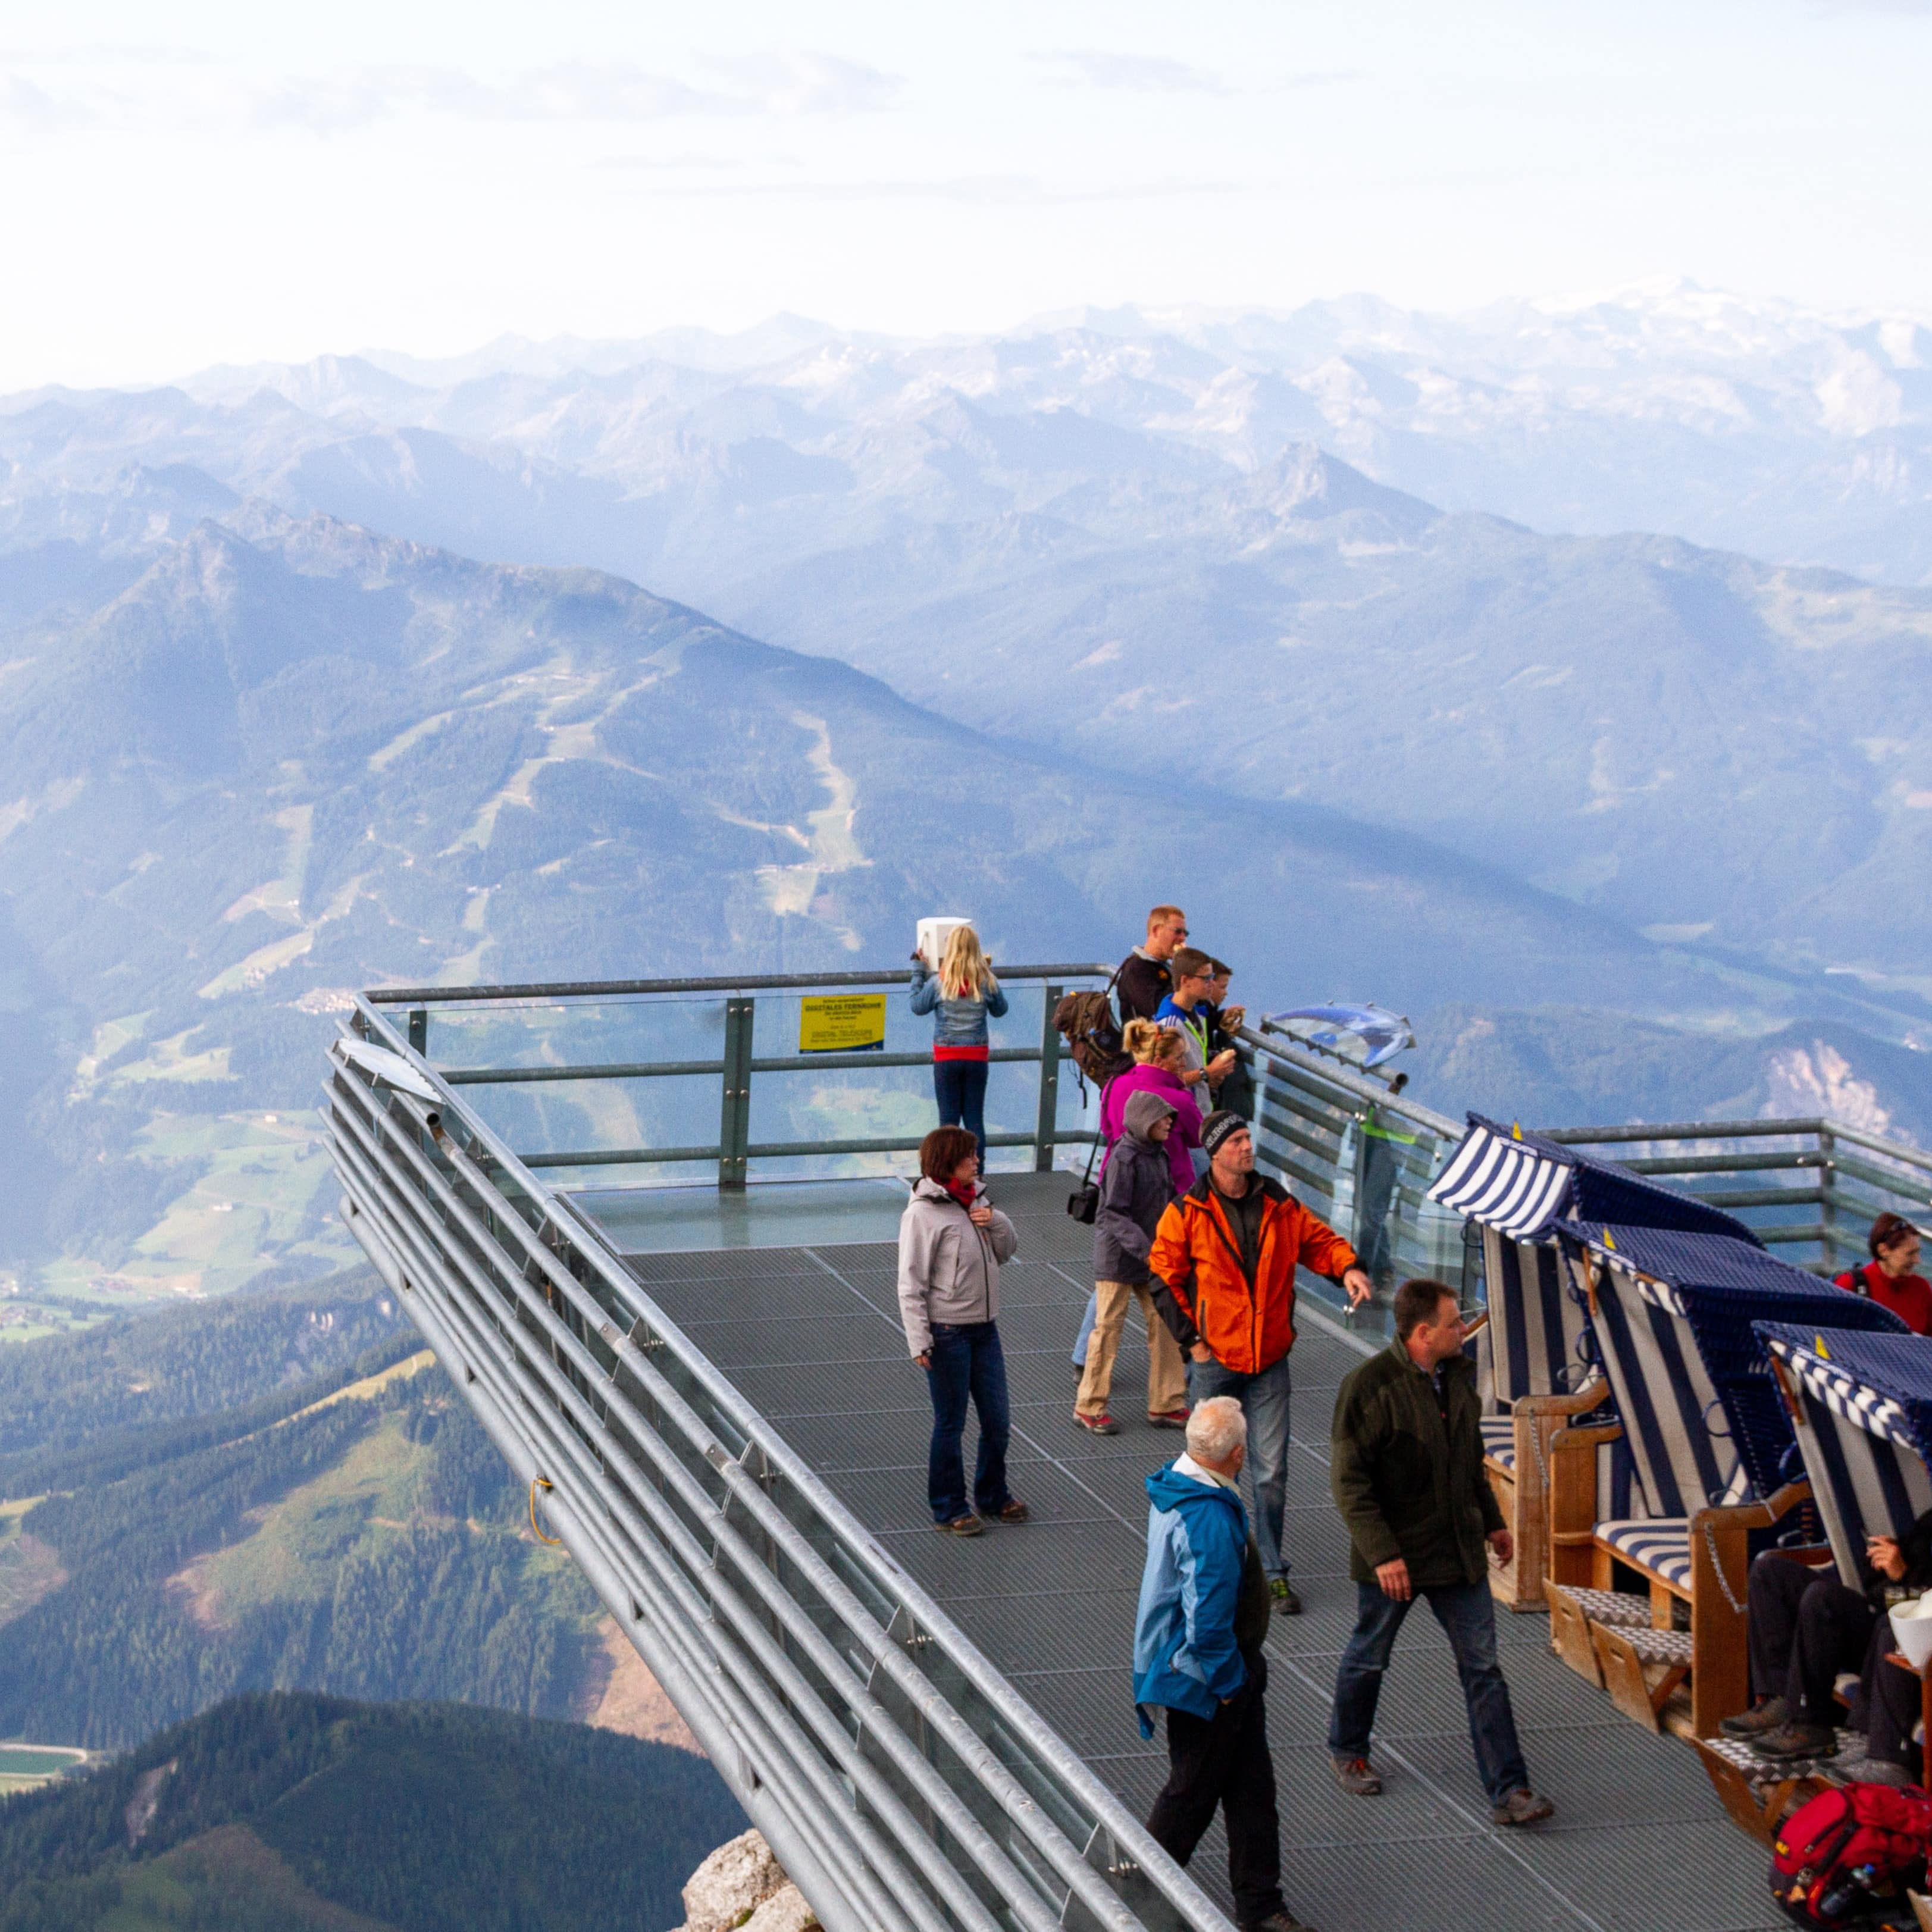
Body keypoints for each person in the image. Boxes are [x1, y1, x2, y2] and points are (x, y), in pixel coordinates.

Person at [1327, 1277, 1554, 1825]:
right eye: (1455, 1323)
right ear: (1424, 1333)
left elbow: (1468, 1457)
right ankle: (1347, 1748)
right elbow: (1349, 1484)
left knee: (1483, 1669)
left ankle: (1510, 1789)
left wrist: (1494, 1523)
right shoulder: (1366, 1388)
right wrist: (1383, 1555)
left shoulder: (1458, 1378)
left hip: (1456, 1554)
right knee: (1369, 1655)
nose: (1464, 1330)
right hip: (1396, 1561)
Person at [1150, 1112, 1371, 1614]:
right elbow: (1162, 1276)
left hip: (1269, 1360)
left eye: (1248, 1137)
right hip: (1214, 1359)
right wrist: (1194, 1345)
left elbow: (1318, 1241)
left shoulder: (1277, 1201)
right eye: (1237, 1140)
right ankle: (1209, 1564)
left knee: (1271, 1471)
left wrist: (1349, 1267)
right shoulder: (1187, 1211)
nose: (1248, 1146)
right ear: (1215, 1151)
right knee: (1209, 1470)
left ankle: (1271, 1572)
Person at [1132, 1396, 1316, 1932]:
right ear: (1237, 1455)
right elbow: (1208, 1624)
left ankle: (1261, 1904)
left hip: (1207, 1671)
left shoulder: (1179, 1483)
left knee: (1250, 1790)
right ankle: (1135, 1897)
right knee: (1190, 1794)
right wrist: (1233, 1683)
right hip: (1210, 1679)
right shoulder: (1209, 1517)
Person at [1722, 1509, 1932, 1774]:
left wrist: (1905, 1576)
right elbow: (1877, 1592)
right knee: (1773, 1573)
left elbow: (1918, 1612)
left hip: (1913, 1649)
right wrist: (1886, 1562)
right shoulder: (1929, 1522)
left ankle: (1878, 1752)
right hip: (1883, 1634)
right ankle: (1787, 1702)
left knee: (1888, 1627)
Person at [897, 1126, 1029, 1537]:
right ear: (947, 1163)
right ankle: (949, 1506)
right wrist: (919, 1339)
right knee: (950, 1423)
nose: (977, 1161)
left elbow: (1005, 1252)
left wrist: (997, 1220)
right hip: (948, 1332)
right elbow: (910, 1281)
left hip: (985, 1329)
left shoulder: (978, 1199)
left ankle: (991, 1495)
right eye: (969, 1156)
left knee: (997, 1419)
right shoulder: (922, 1213)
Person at [1076, 1089, 1191, 1436]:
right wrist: (1149, 1250)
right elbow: (1112, 1212)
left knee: (1166, 1324)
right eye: (1163, 1117)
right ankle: (1089, 1406)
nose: (1170, 1122)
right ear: (1145, 1121)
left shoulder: (1156, 1153)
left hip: (1148, 1254)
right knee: (1108, 1329)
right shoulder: (1126, 1157)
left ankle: (1167, 1402)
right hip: (1120, 1257)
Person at [910, 926, 1009, 1166]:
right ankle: (977, 1173)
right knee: (975, 1118)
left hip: (946, 1058)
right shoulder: (986, 981)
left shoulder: (938, 983)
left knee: (949, 1121)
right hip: (977, 1058)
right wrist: (988, 974)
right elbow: (1001, 1010)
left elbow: (917, 1006)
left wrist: (917, 971)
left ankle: (950, 1173)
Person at [1101, 1020, 1204, 1194]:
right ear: (1159, 1061)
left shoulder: (1114, 1085)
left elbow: (1108, 1130)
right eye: (1178, 1057)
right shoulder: (1178, 1099)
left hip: (1119, 1186)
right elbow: (1198, 1138)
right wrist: (1183, 1089)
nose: (1184, 1063)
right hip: (1168, 1194)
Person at [1155, 948, 1238, 1100]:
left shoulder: (1200, 1014)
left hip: (1199, 1110)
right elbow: (1162, 1080)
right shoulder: (1169, 1025)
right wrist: (1207, 1072)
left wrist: (1211, 1076)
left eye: (1212, 977)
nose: (1212, 984)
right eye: (1206, 978)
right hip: (1181, 1112)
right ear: (1185, 981)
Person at [1834, 1211, 1932, 1336]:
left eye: (1917, 1252)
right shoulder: (1850, 1285)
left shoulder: (1921, 1289)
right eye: (1910, 1254)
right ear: (1884, 1251)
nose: (1918, 1260)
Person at [1116, 905, 1189, 1026]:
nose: (1182, 938)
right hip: (1147, 1043)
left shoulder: (1166, 968)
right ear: (1156, 931)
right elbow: (1158, 1010)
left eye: (1185, 933)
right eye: (1177, 932)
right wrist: (1181, 970)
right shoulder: (1136, 969)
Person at [1200, 959, 1254, 1122]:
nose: (1226, 993)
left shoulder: (1205, 1014)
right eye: (1223, 987)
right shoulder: (1200, 1013)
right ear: (1209, 984)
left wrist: (1222, 1016)